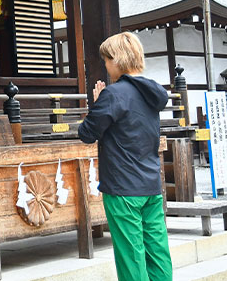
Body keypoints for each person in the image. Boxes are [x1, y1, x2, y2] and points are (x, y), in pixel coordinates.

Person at [78, 32, 173, 281]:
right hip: (150, 185)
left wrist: (98, 104)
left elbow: (87, 133)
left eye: (107, 60)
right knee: (157, 251)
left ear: (117, 60)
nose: (106, 66)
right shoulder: (152, 93)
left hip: (123, 189)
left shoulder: (114, 94)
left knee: (130, 255)